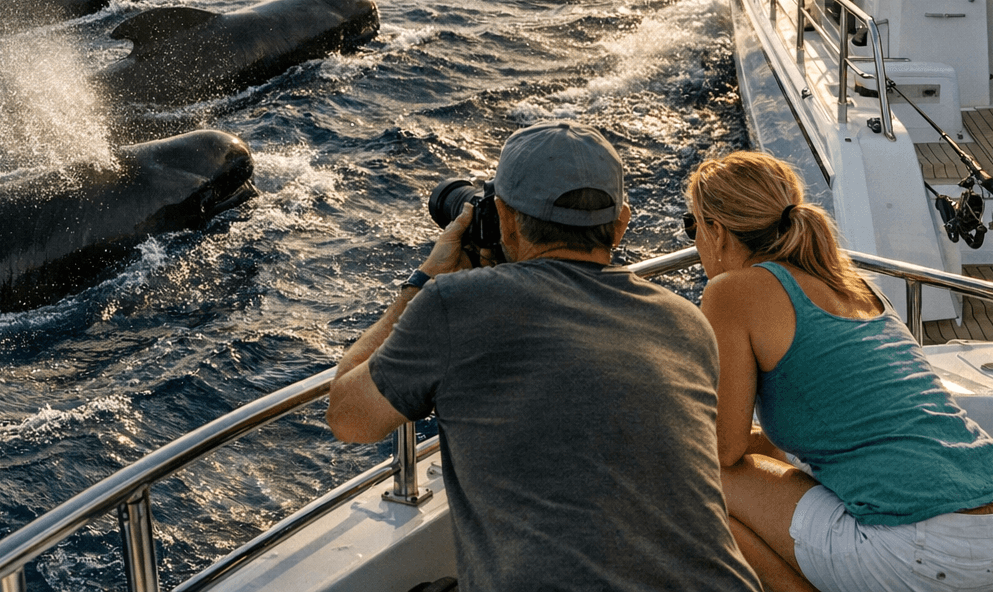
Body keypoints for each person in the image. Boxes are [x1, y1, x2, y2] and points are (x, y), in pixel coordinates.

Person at [326, 120, 761, 592]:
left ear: (504, 219)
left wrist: (426, 278)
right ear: (621, 225)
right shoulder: (685, 322)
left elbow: (349, 417)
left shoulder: (454, 305)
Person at [686, 151, 993, 592]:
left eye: (693, 226)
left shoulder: (730, 292)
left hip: (933, 556)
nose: (695, 240)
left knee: (701, 475)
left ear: (717, 230)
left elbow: (724, 451)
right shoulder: (851, 283)